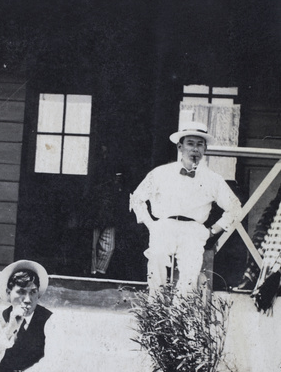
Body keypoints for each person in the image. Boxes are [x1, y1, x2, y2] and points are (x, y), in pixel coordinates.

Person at [130, 122, 241, 295]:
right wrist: (151, 224)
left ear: (205, 148)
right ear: (180, 147)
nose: (195, 149)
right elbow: (137, 198)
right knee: (156, 264)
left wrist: (212, 231)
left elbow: (234, 207)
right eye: (190, 143)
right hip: (163, 227)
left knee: (189, 278)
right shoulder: (161, 173)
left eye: (199, 144)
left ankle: (180, 318)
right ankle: (155, 312)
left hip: (193, 230)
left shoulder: (213, 179)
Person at [86, 144, 124, 278]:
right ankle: (92, 273)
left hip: (109, 213)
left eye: (106, 152)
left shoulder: (113, 168)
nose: (104, 154)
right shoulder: (92, 168)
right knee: (91, 246)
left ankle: (100, 272)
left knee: (108, 246)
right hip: (94, 212)